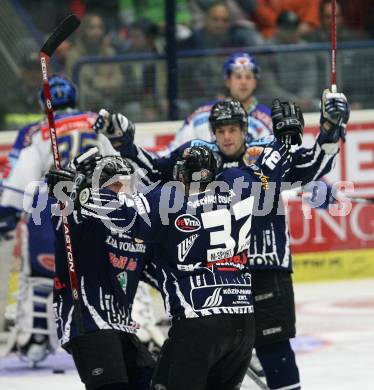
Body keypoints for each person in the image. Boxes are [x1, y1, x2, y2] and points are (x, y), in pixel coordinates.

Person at [93, 89, 350, 389]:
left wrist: (330, 130)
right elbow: (154, 172)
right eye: (221, 130)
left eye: (233, 129)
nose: (227, 136)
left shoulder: (257, 159)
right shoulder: (216, 161)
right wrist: (126, 145)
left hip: (264, 267)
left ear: (244, 130)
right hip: (221, 276)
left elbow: (313, 166)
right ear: (214, 133)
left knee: (274, 348)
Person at [48, 102, 299, 389]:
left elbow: (124, 211)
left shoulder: (169, 201)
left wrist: (81, 195)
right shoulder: (240, 183)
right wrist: (285, 139)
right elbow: (270, 169)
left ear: (180, 174)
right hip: (243, 322)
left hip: (198, 321)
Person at [0, 75, 118, 366]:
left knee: (43, 273)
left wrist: (8, 211)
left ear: (44, 103)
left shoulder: (35, 131)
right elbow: (118, 165)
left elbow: (21, 176)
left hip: (52, 204)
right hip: (97, 203)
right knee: (111, 271)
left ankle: (38, 336)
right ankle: (123, 325)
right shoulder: (94, 121)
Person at [47, 152, 156, 390]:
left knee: (152, 381)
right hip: (87, 321)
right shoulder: (81, 217)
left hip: (122, 326)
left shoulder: (133, 225)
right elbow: (63, 224)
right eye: (114, 186)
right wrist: (66, 193)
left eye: (124, 185)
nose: (121, 193)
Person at [170, 51, 272, 151]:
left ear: (255, 82)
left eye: (248, 77)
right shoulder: (203, 113)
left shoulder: (269, 119)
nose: (243, 82)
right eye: (238, 77)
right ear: (228, 81)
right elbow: (175, 150)